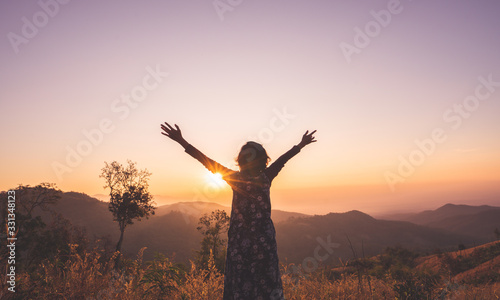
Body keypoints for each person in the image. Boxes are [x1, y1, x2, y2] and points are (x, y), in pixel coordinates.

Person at [161, 122, 317, 300]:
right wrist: (301, 145)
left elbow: (206, 162)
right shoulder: (265, 176)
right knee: (265, 277)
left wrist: (182, 141)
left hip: (241, 239)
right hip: (261, 239)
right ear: (262, 160)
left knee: (241, 278)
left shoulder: (237, 178)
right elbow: (283, 159)